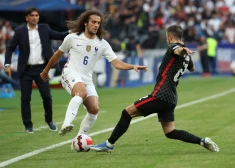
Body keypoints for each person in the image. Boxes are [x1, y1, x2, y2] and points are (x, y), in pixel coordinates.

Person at [90, 25, 219, 153]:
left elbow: (177, 50)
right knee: (170, 132)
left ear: (170, 36)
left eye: (167, 37)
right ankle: (202, 141)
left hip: (160, 95)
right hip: (171, 98)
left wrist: (182, 50)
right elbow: (192, 68)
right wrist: (185, 52)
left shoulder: (172, 47)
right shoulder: (187, 56)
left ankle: (108, 144)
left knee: (127, 112)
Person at [40, 10, 147, 139]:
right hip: (70, 73)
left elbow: (117, 64)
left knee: (94, 109)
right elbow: (58, 54)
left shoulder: (102, 44)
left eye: (98, 23)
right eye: (93, 22)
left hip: (87, 78)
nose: (96, 25)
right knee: (82, 93)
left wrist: (132, 66)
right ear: (85, 23)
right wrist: (46, 71)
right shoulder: (72, 38)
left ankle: (80, 138)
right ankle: (66, 123)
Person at [4, 7, 69, 133]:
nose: (35, 18)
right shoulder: (20, 31)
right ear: (27, 17)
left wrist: (71, 31)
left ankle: (49, 120)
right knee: (25, 99)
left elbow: (59, 35)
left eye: (37, 15)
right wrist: (7, 64)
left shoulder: (44, 28)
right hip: (25, 70)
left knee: (47, 96)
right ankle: (28, 125)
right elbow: (10, 48)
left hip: (41, 69)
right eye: (32, 15)